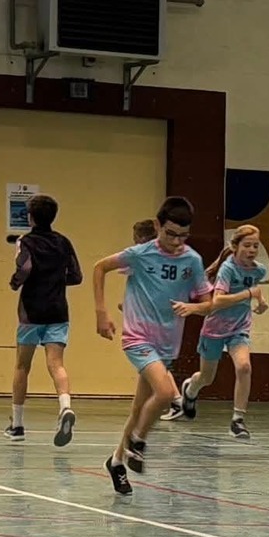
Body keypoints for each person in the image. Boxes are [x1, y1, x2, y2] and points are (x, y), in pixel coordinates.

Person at [92, 197, 211, 495]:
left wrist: (194, 308)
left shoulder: (192, 261)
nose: (176, 242)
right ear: (158, 225)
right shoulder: (139, 255)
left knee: (139, 409)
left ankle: (116, 461)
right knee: (167, 393)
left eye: (183, 236)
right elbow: (99, 267)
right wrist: (101, 312)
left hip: (167, 343)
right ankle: (138, 443)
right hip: (138, 338)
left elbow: (207, 302)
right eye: (171, 234)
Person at [170, 224, 269, 439]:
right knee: (207, 377)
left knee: (244, 367)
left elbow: (255, 291)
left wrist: (261, 301)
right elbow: (218, 301)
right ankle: (190, 389)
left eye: (256, 246)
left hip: (239, 329)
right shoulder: (228, 269)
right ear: (235, 246)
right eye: (247, 245)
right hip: (214, 330)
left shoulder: (259, 270)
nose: (252, 250)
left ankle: (238, 420)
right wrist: (249, 294)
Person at [5, 194, 82, 447]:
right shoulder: (63, 241)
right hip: (58, 311)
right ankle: (65, 406)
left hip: (31, 312)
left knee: (22, 366)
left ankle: (17, 425)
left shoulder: (26, 241)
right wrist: (56, 281)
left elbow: (25, 268)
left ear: (30, 217)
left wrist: (15, 282)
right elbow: (76, 276)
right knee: (56, 364)